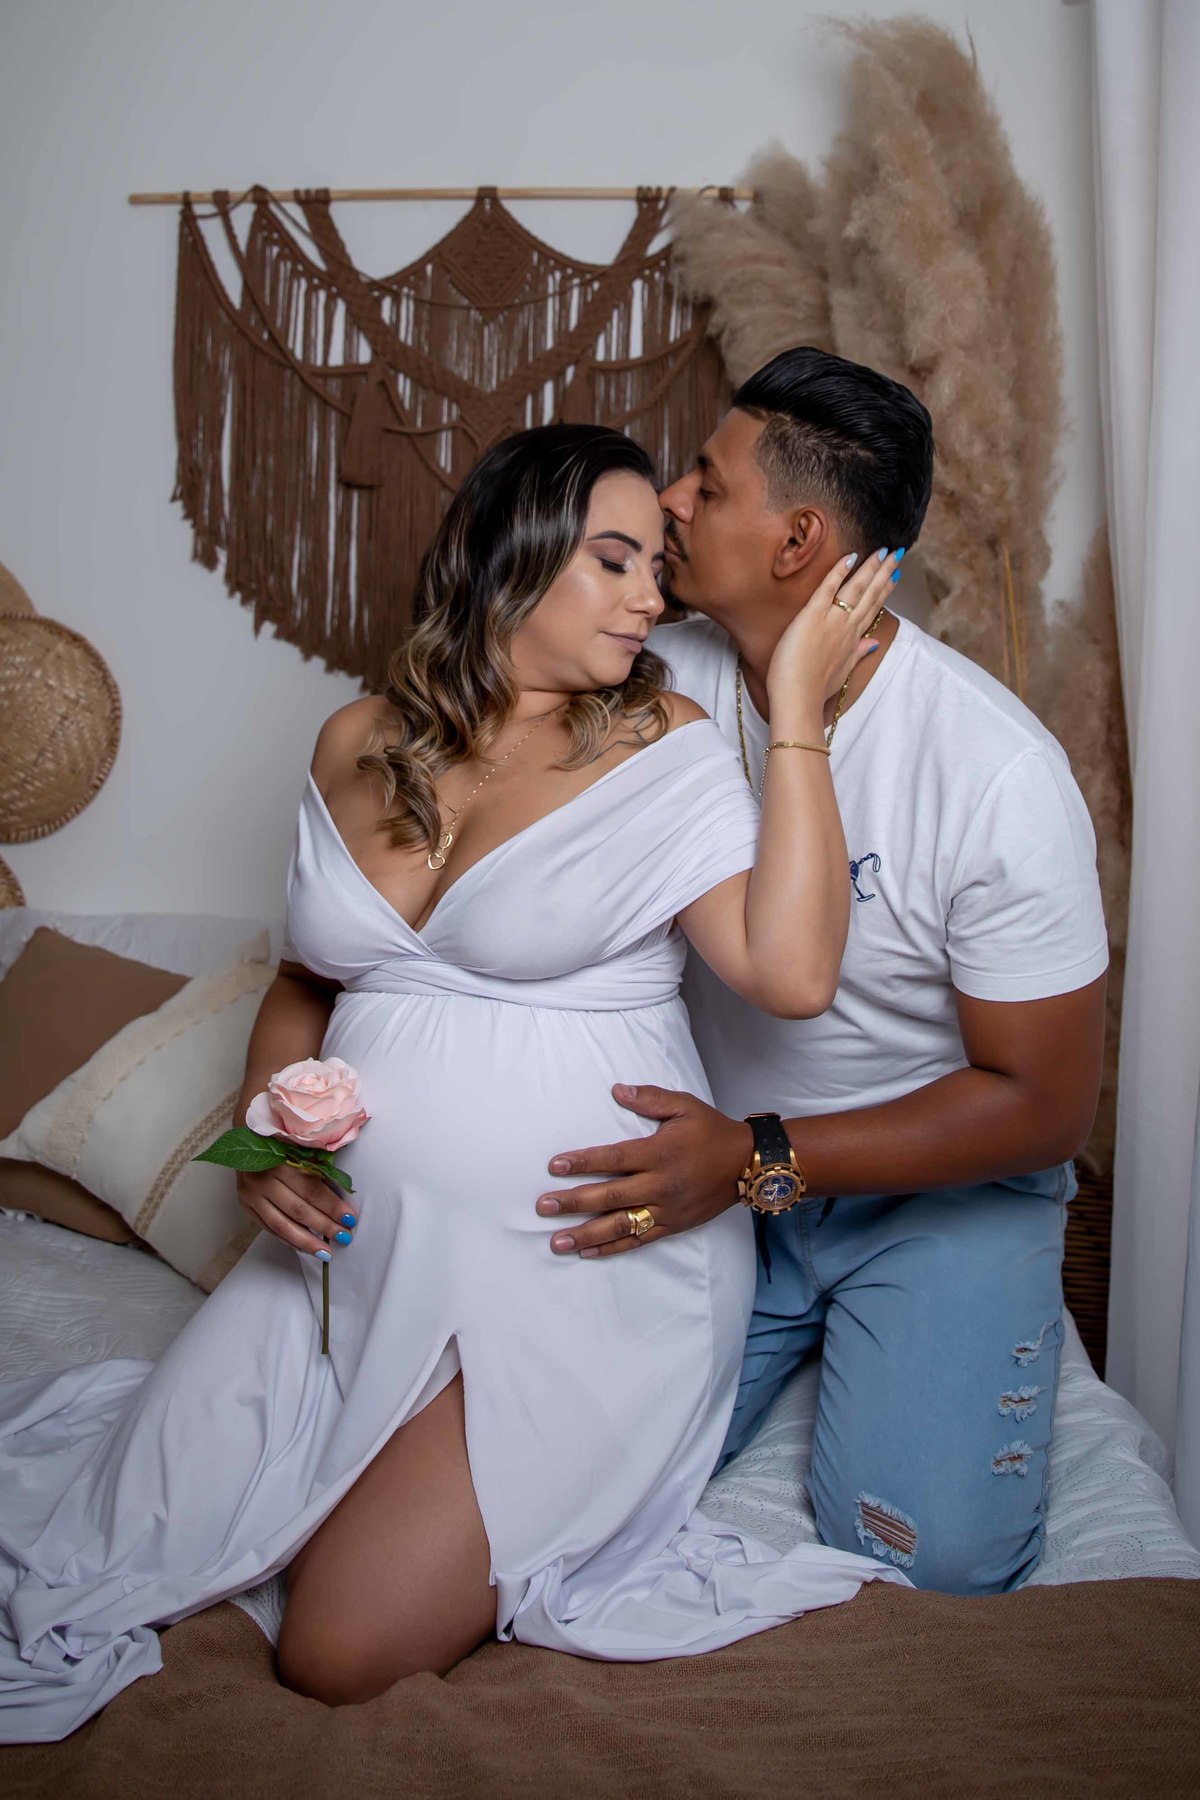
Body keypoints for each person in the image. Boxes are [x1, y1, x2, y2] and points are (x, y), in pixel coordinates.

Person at [0, 423, 909, 1744]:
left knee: (337, 1649)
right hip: (349, 1267)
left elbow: (793, 971)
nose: (650, 598)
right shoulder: (354, 740)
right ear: (509, 555)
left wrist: (799, 717)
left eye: (656, 566)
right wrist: (270, 1149)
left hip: (579, 1273)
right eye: (614, 560)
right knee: (124, 1533)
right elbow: (306, 981)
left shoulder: (662, 743)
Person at [532, 349, 1109, 1597]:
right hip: (717, 1179)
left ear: (798, 541)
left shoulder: (997, 771)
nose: (670, 501)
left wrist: (758, 1156)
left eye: (705, 482)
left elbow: (1046, 1106)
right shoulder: (646, 682)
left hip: (935, 1196)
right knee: (551, 1488)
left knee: (925, 1556)